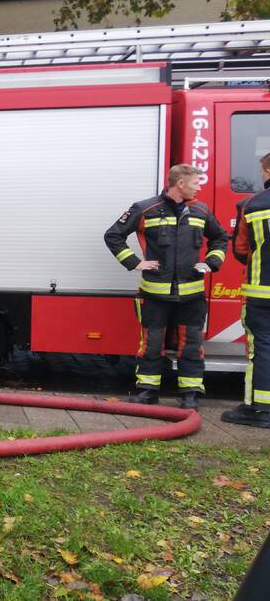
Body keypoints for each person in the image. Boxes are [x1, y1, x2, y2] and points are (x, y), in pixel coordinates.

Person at [104, 164, 228, 409]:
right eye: (196, 183)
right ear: (180, 184)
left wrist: (212, 262)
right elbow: (113, 236)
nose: (200, 187)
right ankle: (147, 391)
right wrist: (135, 262)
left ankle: (190, 394)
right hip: (154, 295)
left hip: (192, 296)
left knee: (191, 345)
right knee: (151, 344)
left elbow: (220, 237)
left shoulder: (201, 211)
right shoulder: (145, 209)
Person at [225, 152, 270, 428]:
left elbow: (241, 250)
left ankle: (260, 409)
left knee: (261, 349)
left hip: (261, 293)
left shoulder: (252, 204)